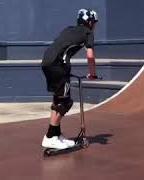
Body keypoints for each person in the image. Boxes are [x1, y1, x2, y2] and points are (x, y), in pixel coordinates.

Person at [41, 9, 99, 149]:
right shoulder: (88, 33)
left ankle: (56, 135)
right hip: (58, 66)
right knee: (65, 103)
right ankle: (49, 137)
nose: (95, 26)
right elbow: (90, 55)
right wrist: (93, 74)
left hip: (47, 63)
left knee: (58, 99)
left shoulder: (69, 29)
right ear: (90, 23)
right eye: (94, 23)